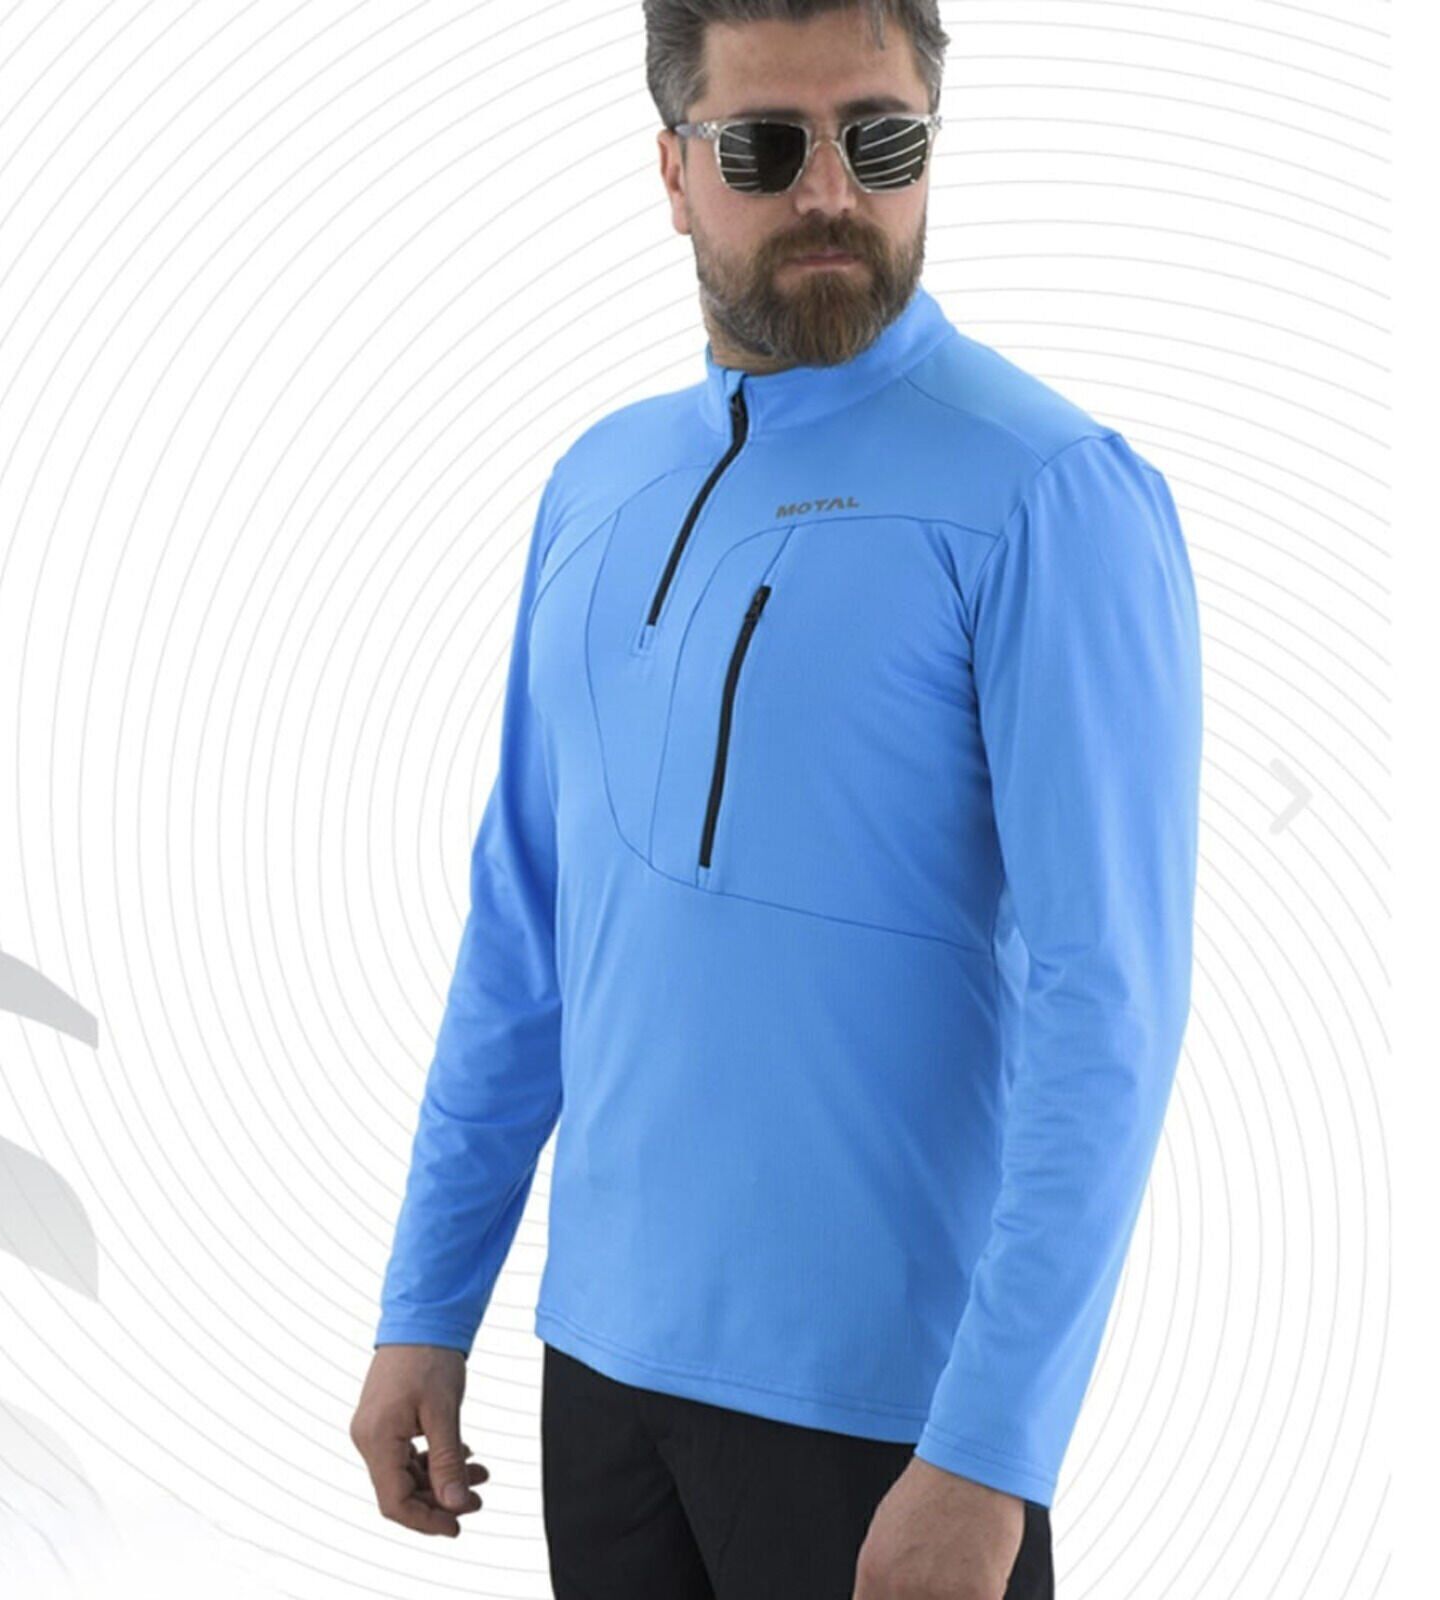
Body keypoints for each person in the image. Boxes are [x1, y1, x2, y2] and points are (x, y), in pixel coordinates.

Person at [349, 2, 1204, 1596]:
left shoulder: (1048, 493)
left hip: (887, 1417)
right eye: (765, 146)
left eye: (881, 138)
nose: (831, 191)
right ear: (675, 172)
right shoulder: (598, 481)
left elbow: (1113, 1005)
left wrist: (991, 1449)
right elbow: (525, 932)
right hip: (602, 1379)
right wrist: (428, 1299)